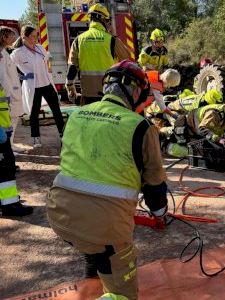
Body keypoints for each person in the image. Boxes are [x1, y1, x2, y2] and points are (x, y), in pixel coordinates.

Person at [47, 60, 168, 300]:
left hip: (58, 214)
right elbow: (154, 186)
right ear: (135, 91)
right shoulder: (141, 126)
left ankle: (94, 267)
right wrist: (160, 213)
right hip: (103, 226)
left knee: (94, 244)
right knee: (123, 291)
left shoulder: (77, 115)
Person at [10, 25, 65, 148]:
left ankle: (63, 136)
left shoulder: (40, 48)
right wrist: (21, 77)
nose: (36, 39)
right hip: (33, 86)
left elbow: (47, 59)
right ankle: (36, 139)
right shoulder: (18, 53)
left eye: (37, 36)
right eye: (33, 36)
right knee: (34, 113)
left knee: (56, 110)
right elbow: (9, 67)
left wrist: (49, 69)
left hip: (46, 83)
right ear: (24, 38)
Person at [65, 3, 130, 105]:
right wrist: (114, 36)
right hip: (109, 92)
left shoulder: (78, 40)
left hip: (88, 94)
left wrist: (70, 86)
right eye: (107, 21)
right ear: (103, 19)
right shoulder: (111, 39)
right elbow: (126, 57)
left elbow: (72, 66)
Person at [0, 28, 33, 217]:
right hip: (1, 124)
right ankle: (10, 204)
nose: (13, 38)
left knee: (5, 166)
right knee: (6, 167)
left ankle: (6, 201)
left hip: (3, 121)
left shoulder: (4, 55)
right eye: (10, 35)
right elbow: (4, 82)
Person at [0, 27, 22, 147]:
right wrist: (6, 92)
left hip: (10, 90)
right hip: (4, 93)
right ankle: (8, 146)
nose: (14, 39)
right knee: (7, 120)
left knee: (11, 119)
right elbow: (2, 75)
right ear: (4, 37)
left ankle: (10, 144)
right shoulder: (1, 54)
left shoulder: (5, 52)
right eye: (11, 36)